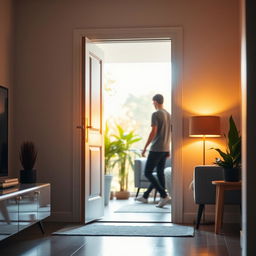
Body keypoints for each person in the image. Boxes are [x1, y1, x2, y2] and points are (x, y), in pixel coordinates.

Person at [136, 94, 171, 208]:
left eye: (153, 102)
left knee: (148, 172)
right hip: (165, 148)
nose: (153, 104)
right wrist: (168, 149)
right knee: (159, 173)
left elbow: (153, 132)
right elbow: (171, 133)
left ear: (155, 102)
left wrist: (145, 147)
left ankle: (164, 195)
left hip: (156, 148)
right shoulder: (169, 115)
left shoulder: (156, 114)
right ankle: (146, 196)